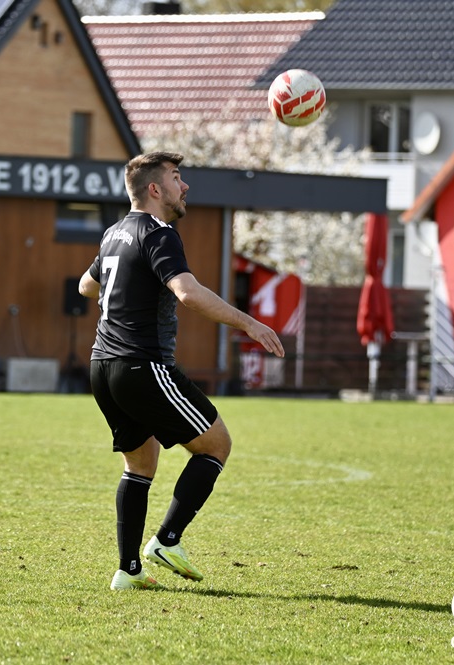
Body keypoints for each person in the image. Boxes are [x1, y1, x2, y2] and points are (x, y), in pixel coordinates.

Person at [78, 152, 285, 591]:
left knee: (140, 463)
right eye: (176, 178)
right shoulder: (159, 232)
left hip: (102, 366)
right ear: (155, 189)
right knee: (216, 444)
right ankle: (167, 541)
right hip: (142, 365)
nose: (184, 186)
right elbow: (187, 293)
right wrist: (249, 323)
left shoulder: (114, 233)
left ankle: (128, 571)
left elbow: (86, 285)